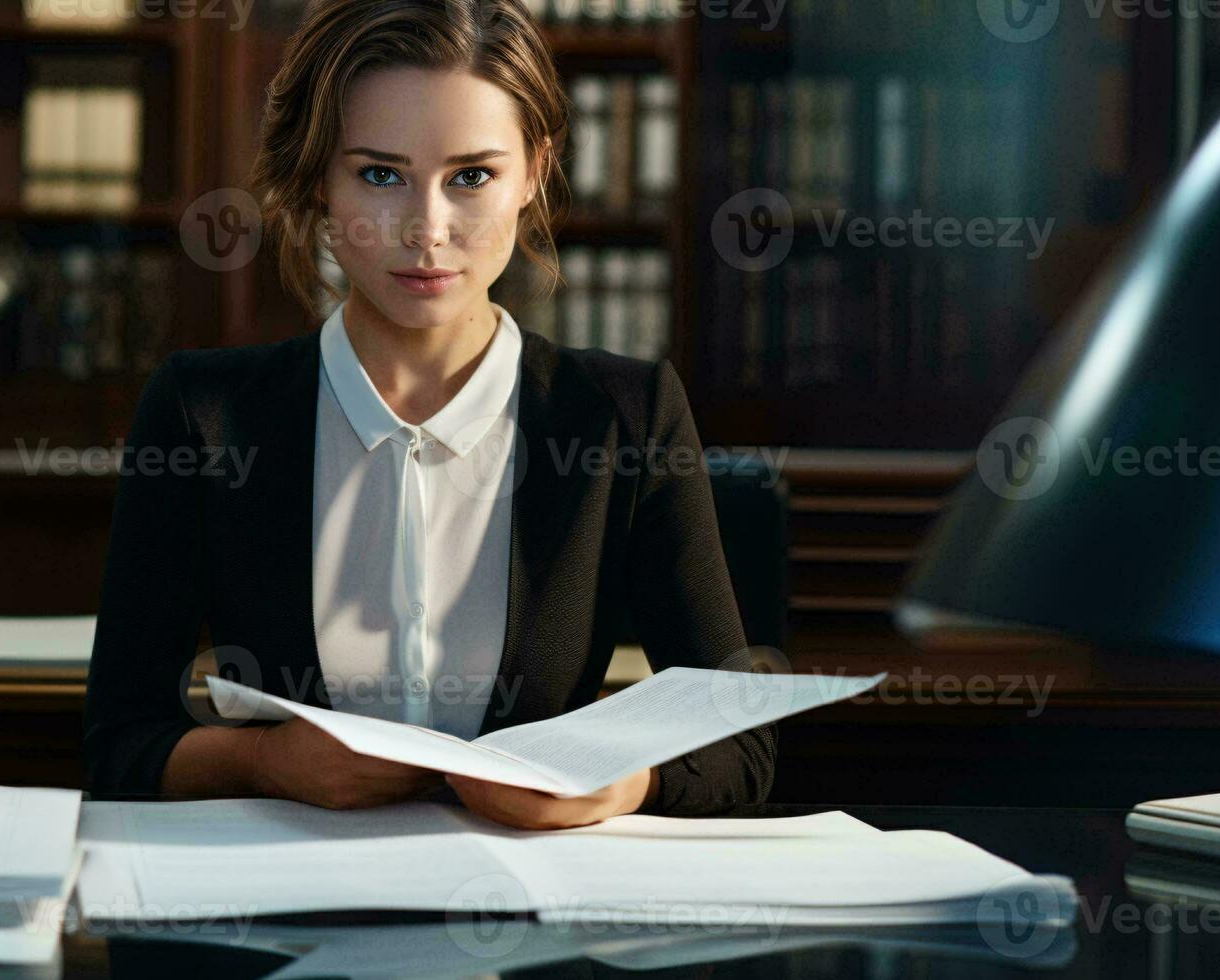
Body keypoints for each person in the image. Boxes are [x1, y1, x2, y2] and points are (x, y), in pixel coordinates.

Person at [83, 0, 774, 829]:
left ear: (534, 172)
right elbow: (118, 745)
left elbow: (741, 749)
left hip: (527, 929)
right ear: (315, 182)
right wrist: (264, 761)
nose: (426, 228)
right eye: (379, 174)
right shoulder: (205, 414)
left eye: (471, 176)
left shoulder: (625, 418)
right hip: (281, 916)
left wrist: (620, 786)